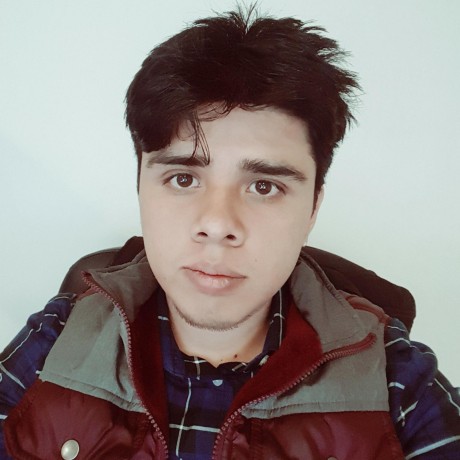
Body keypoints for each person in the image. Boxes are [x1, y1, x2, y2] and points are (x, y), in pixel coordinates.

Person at [1, 6, 459, 459]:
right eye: (183, 178)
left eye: (264, 186)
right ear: (139, 187)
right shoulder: (56, 340)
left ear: (313, 207)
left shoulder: (397, 382)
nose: (218, 225)